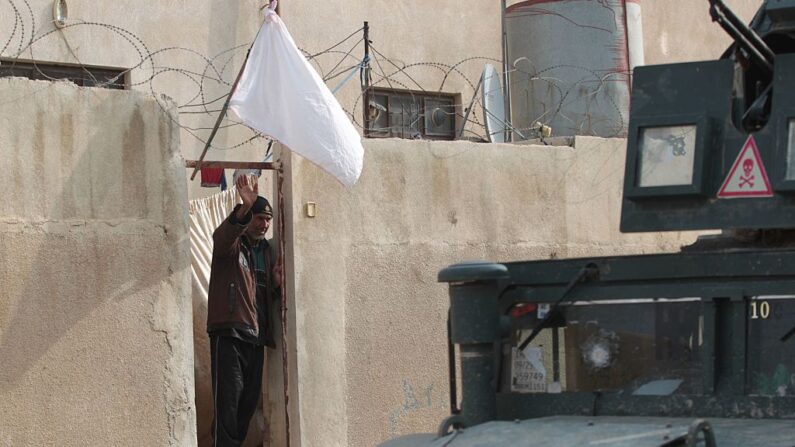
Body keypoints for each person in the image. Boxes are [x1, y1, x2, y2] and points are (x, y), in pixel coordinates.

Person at [207, 174, 282, 446]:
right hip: (229, 333)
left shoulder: (265, 251)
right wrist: (243, 209)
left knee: (246, 407)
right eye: (260, 218)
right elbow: (222, 237)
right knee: (227, 405)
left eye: (267, 220)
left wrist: (274, 286)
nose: (264, 224)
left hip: (255, 338)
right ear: (249, 218)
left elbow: (257, 297)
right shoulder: (231, 246)